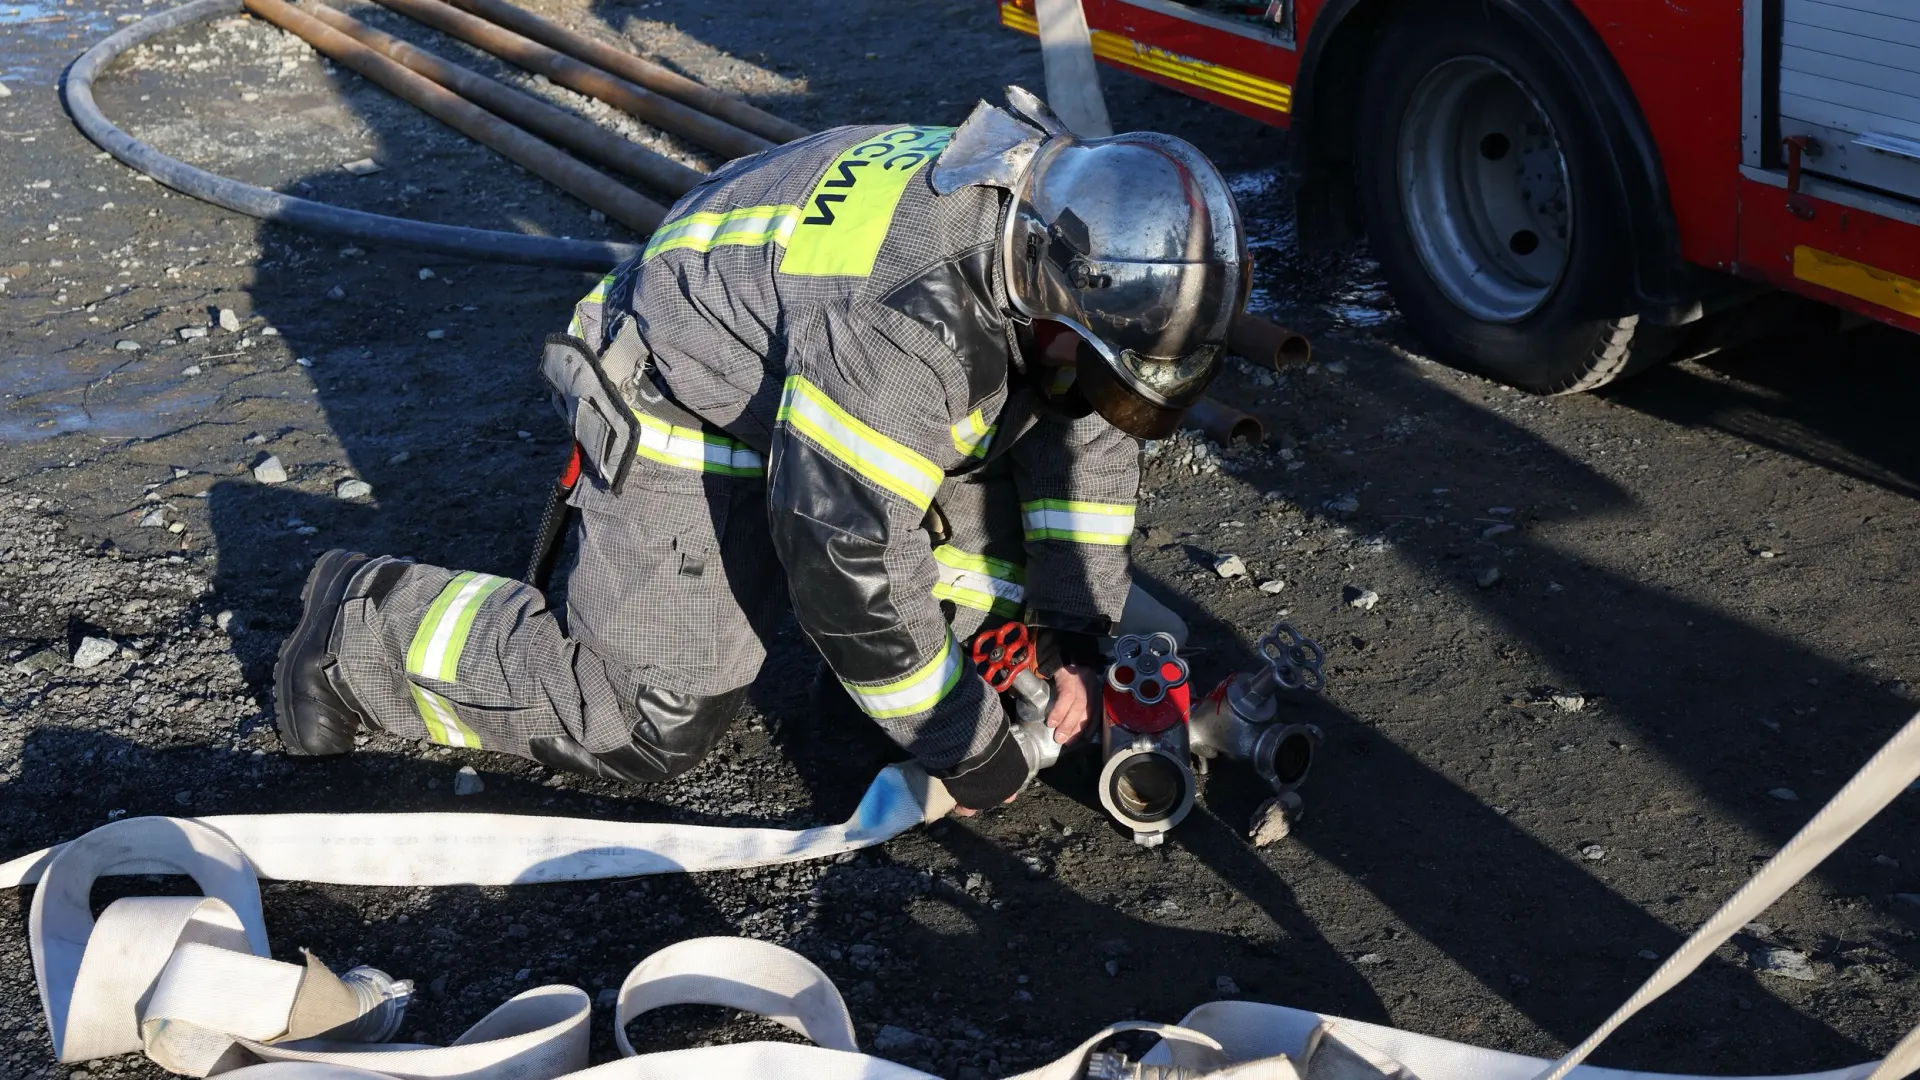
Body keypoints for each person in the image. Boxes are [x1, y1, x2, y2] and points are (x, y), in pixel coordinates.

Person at [272, 87, 1249, 813]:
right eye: (1103, 365)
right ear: (1047, 297)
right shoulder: (908, 330)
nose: (1102, 393)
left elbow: (1083, 445)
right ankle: (358, 633)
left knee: (1010, 482)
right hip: (681, 393)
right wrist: (968, 745)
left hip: (799, 355)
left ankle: (897, 687)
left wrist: (1073, 634)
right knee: (649, 717)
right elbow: (846, 566)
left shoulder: (1052, 215)